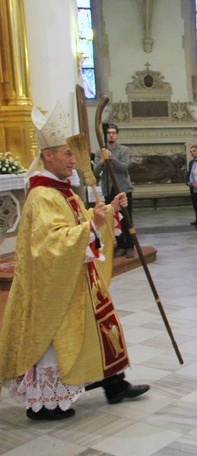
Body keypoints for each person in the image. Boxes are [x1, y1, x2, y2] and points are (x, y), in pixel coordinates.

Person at [0, 102, 149, 421]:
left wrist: (108, 210)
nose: (73, 160)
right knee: (64, 339)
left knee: (100, 328)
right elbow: (50, 243)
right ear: (49, 156)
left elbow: (82, 219)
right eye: (67, 154)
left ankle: (115, 385)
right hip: (56, 287)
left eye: (73, 153)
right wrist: (90, 226)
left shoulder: (60, 190)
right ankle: (46, 404)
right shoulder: (42, 196)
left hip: (79, 278)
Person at [94, 124, 134, 258]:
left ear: (117, 135)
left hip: (122, 189)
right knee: (114, 218)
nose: (111, 135)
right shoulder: (99, 152)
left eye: (113, 133)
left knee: (127, 218)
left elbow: (124, 167)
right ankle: (121, 245)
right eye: (108, 133)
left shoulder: (123, 150)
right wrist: (101, 161)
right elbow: (95, 172)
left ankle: (130, 246)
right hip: (108, 189)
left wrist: (112, 159)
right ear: (105, 136)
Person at [186, 145, 197, 225]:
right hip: (192, 185)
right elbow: (189, 173)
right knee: (195, 204)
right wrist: (188, 181)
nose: (193, 153)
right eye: (191, 152)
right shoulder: (191, 162)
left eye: (194, 151)